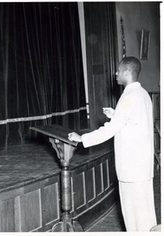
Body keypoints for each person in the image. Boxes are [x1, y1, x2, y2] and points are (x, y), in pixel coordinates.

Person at [68, 56, 157, 231]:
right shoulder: (143, 94)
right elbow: (134, 122)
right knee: (145, 215)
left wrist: (82, 139)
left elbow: (109, 131)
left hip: (131, 169)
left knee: (134, 219)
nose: (115, 74)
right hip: (142, 167)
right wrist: (116, 114)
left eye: (118, 71)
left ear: (126, 73)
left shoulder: (129, 96)